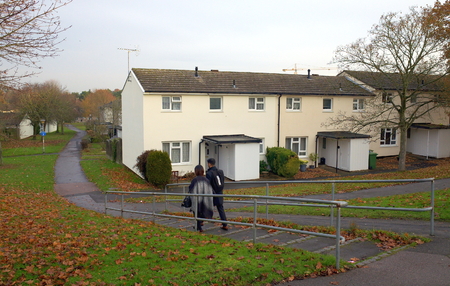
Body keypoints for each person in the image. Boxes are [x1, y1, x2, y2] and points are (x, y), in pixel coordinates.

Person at [188, 165, 214, 232]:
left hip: (197, 200)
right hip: (205, 200)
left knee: (196, 213)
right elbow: (210, 190)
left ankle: (199, 228)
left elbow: (191, 189)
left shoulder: (195, 180)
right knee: (202, 211)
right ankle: (199, 224)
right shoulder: (206, 180)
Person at [206, 158, 228, 230]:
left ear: (209, 164)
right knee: (220, 208)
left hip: (212, 193)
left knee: (205, 207)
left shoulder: (209, 173)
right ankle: (225, 224)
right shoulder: (220, 171)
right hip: (219, 192)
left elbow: (207, 184)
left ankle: (200, 222)